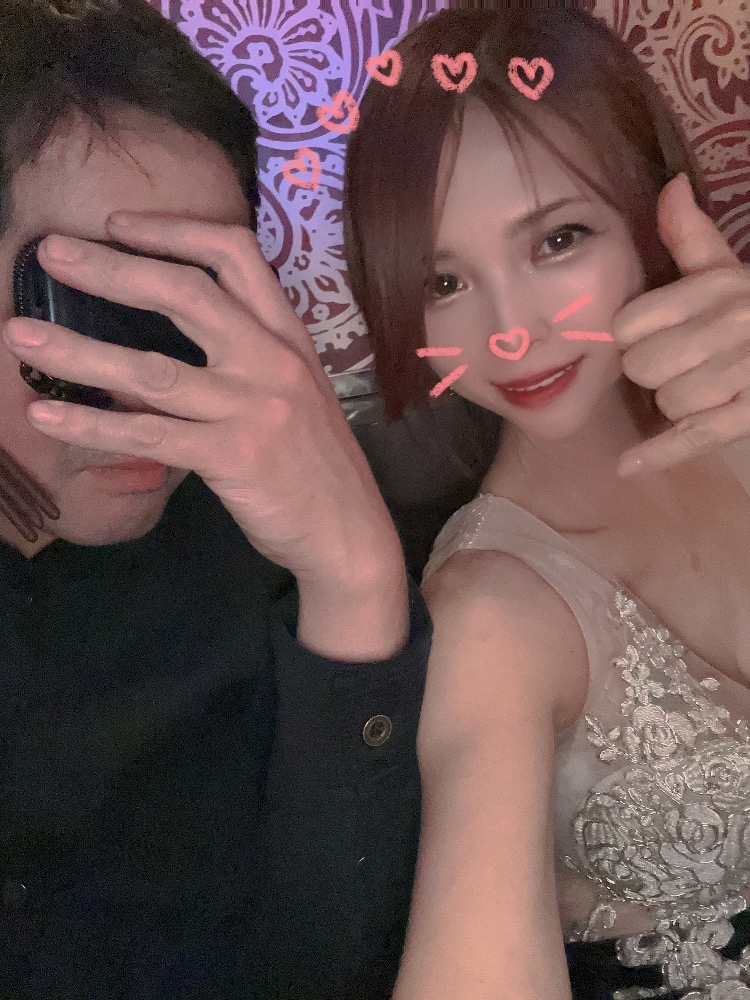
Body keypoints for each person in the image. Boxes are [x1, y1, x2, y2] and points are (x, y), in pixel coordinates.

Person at [0, 1, 432, 998]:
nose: (154, 386)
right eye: (96, 309)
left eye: (196, 303)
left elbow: (333, 965)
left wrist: (355, 582)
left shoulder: (262, 557)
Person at [343, 7, 750, 1000]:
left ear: (653, 212)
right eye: (444, 280)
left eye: (557, 239)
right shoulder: (492, 616)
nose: (512, 331)